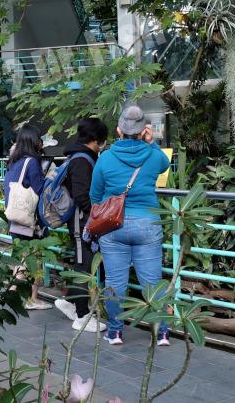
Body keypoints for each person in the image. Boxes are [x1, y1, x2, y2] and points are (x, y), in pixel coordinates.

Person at [90, 105, 171, 347]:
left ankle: (115, 332)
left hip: (113, 226)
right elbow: (165, 165)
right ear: (143, 131)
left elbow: (95, 196)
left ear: (118, 130)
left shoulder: (105, 158)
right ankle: (162, 332)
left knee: (115, 281)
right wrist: (152, 142)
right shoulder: (152, 155)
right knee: (152, 281)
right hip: (147, 222)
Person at [53, 118, 109, 333]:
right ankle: (82, 316)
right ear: (96, 139)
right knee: (84, 266)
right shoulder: (82, 160)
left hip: (82, 220)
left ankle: (72, 304)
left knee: (82, 264)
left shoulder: (77, 157)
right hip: (81, 221)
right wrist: (98, 213)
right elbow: (81, 195)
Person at [2, 124, 52, 310]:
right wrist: (51, 177)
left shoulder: (14, 161)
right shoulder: (31, 162)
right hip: (28, 218)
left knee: (21, 257)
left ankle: (14, 293)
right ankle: (31, 298)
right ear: (34, 141)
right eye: (39, 139)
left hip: (14, 215)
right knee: (33, 257)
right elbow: (40, 188)